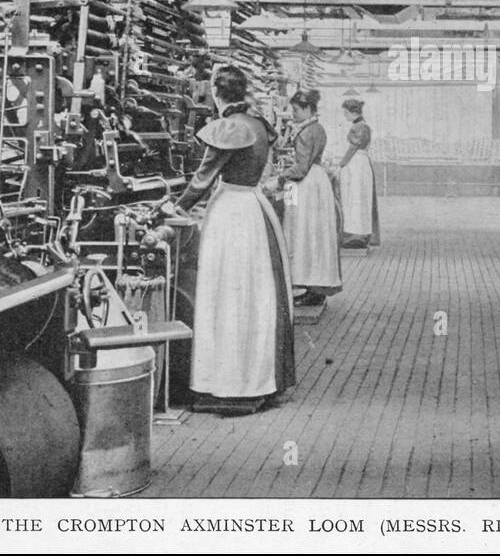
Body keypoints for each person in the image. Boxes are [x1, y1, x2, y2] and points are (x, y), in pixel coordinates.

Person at [161, 66, 295, 413]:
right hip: (253, 209)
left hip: (230, 214)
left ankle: (227, 385)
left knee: (225, 297)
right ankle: (255, 380)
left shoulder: (230, 127)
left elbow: (203, 179)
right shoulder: (259, 124)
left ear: (217, 94)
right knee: (253, 296)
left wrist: (172, 208)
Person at [276, 89, 342, 306]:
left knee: (301, 232)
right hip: (317, 181)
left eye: (295, 110)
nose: (292, 113)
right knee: (315, 234)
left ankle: (309, 284)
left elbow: (301, 167)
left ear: (307, 109)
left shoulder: (305, 132)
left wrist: (279, 177)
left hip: (305, 184)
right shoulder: (317, 128)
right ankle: (315, 285)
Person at [337, 98, 380, 248]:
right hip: (359, 164)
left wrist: (342, 164)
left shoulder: (359, 126)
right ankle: (357, 233)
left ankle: (357, 234)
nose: (344, 116)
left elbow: (353, 148)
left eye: (345, 113)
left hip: (357, 164)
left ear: (352, 112)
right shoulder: (362, 125)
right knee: (357, 198)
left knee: (356, 198)